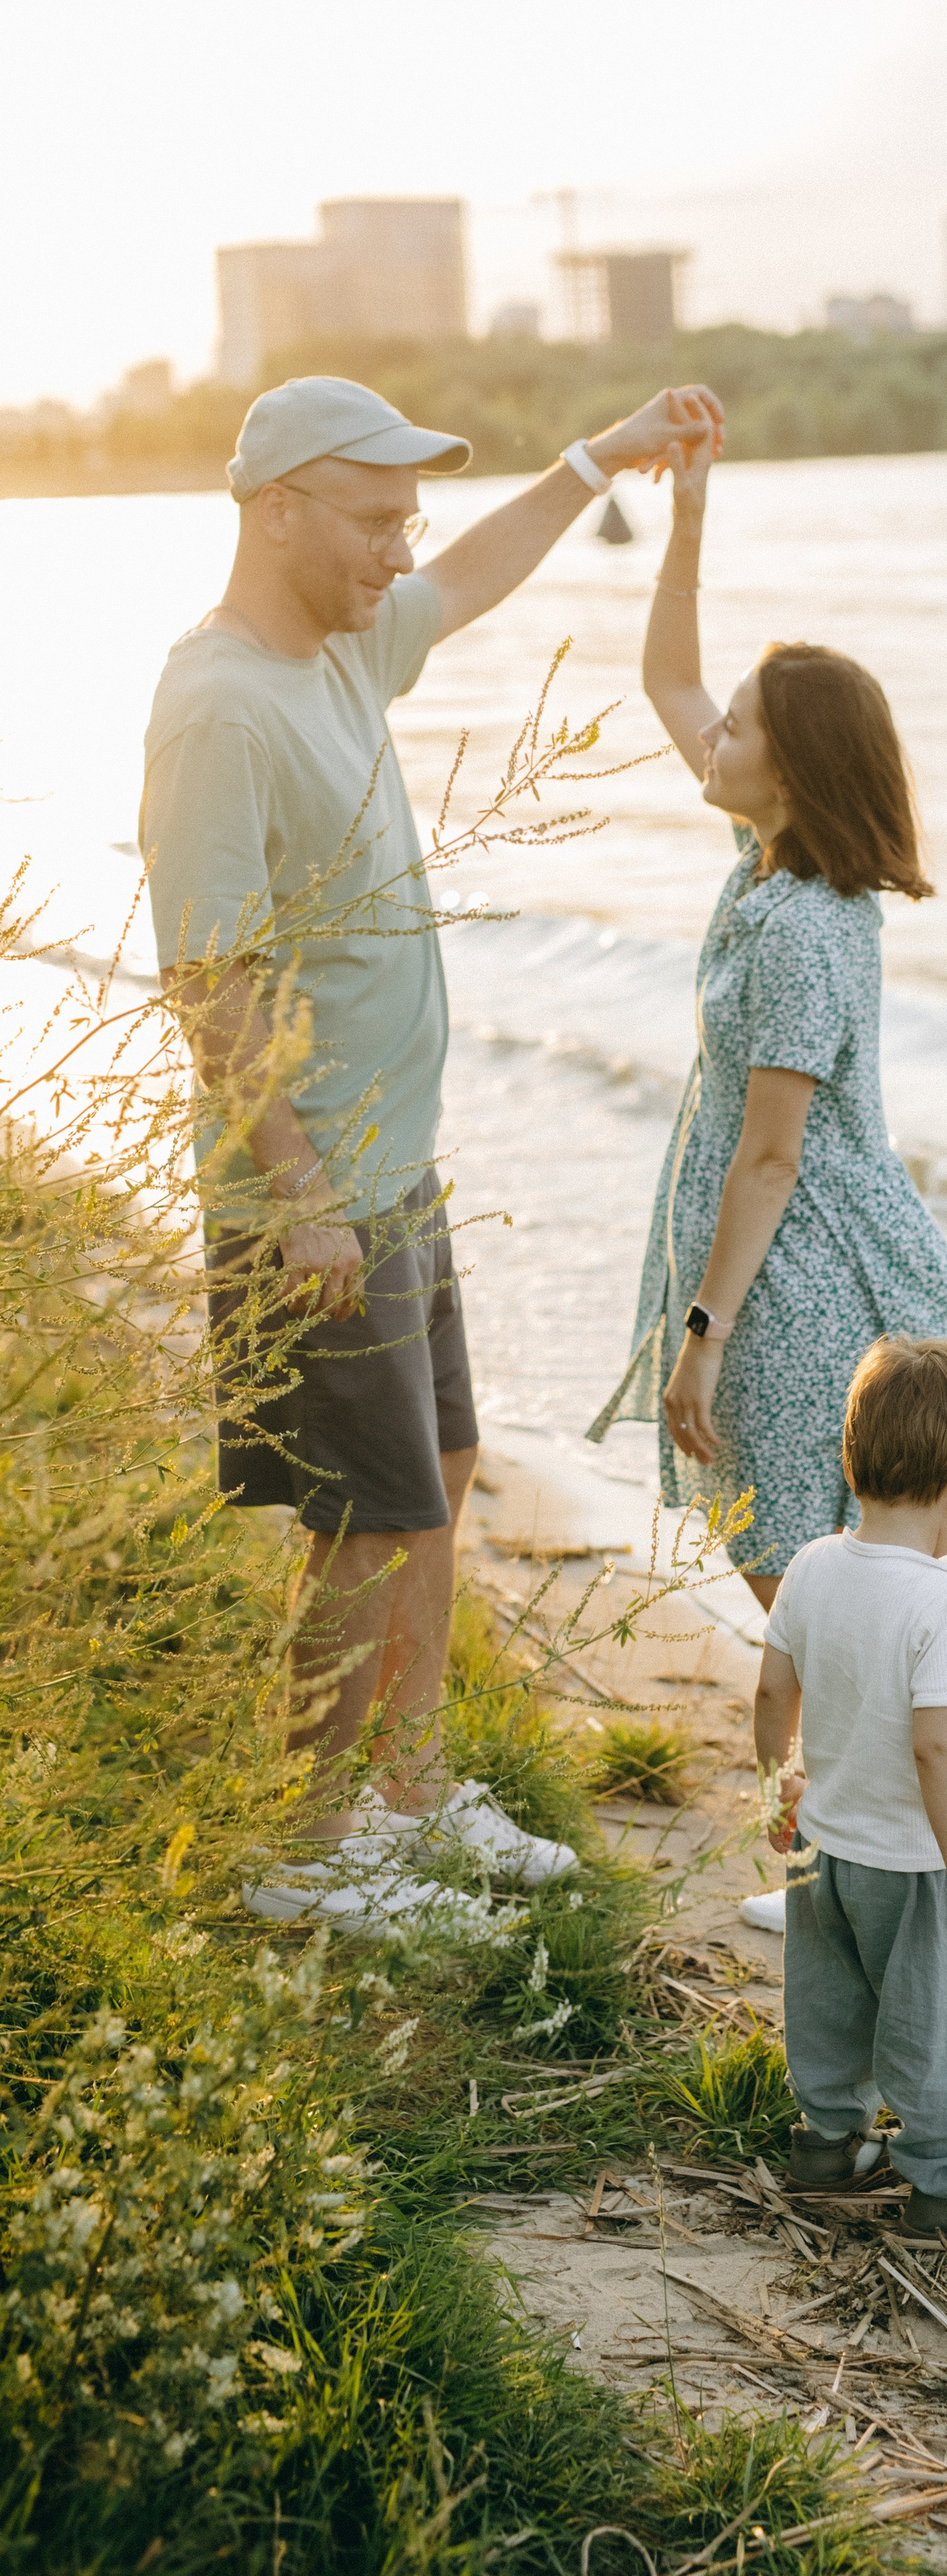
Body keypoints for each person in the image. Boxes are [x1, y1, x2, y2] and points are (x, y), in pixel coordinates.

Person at [141, 371, 722, 1931]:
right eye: (375, 517)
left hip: (392, 1171)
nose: (405, 547)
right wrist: (310, 1196)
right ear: (278, 509)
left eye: (407, 517)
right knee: (363, 1516)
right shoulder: (219, 706)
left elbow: (475, 573)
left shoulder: (342, 649)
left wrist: (600, 456)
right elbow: (211, 973)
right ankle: (314, 1847)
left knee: (438, 1475)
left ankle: (410, 1792)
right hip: (309, 1199)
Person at [586, 429, 947, 1601]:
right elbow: (666, 681)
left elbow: (770, 1154)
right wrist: (690, 520)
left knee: (811, 1599)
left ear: (792, 775)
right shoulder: (768, 868)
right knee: (818, 1603)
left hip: (793, 1286)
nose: (713, 735)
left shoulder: (801, 927)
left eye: (739, 729)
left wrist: (702, 1339)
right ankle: (842, 1785)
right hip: (772, 1266)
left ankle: (884, 1782)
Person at [752, 1336, 947, 2240]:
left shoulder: (810, 1566)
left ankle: (827, 2144)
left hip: (823, 1847)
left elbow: (770, 1693)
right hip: (914, 1866)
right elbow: (937, 1751)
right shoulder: (945, 1603)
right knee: (942, 2027)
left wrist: (780, 1789)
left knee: (830, 2000)